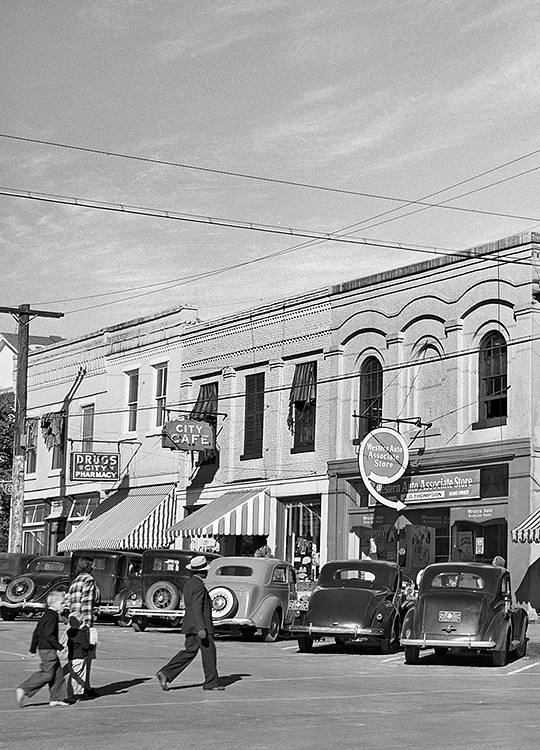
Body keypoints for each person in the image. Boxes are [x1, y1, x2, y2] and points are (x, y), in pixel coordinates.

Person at [156, 555, 223, 692]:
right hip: (200, 625)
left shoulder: (189, 583)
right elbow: (197, 607)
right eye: (205, 570)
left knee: (189, 651)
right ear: (202, 571)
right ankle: (211, 682)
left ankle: (166, 673)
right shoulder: (198, 585)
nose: (207, 572)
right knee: (209, 653)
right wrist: (201, 628)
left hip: (190, 624)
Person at [16, 590, 69, 708]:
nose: (64, 605)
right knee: (48, 673)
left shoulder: (46, 614)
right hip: (48, 649)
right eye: (62, 603)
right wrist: (60, 647)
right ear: (54, 604)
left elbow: (37, 631)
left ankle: (56, 698)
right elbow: (49, 635)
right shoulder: (52, 616)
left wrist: (33, 649)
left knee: (57, 673)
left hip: (44, 648)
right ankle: (23, 688)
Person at [65, 556, 98, 698]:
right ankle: (84, 687)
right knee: (86, 656)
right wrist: (88, 625)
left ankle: (81, 686)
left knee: (75, 657)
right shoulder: (89, 580)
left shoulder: (75, 581)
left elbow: (70, 602)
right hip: (83, 623)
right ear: (89, 566)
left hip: (72, 622)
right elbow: (87, 604)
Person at [65, 615, 92, 702]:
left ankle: (72, 692)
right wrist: (91, 645)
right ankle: (75, 693)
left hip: (71, 656)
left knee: (73, 675)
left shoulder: (69, 632)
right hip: (80, 656)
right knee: (79, 675)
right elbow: (85, 645)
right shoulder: (81, 633)